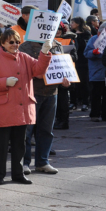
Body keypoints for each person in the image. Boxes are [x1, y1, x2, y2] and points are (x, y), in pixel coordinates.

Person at [0, 29, 52, 185]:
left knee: (20, 144)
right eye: (11, 42)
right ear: (3, 43)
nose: (15, 45)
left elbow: (39, 71)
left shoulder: (24, 57)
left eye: (17, 42)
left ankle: (18, 174)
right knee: (1, 145)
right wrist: (4, 82)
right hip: (4, 108)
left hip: (21, 108)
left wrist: (44, 53)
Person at [18, 35, 66, 176]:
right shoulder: (25, 46)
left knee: (46, 130)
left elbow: (61, 65)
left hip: (52, 93)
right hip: (32, 93)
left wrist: (65, 80)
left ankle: (42, 162)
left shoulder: (57, 44)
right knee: (27, 130)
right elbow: (22, 69)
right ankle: (24, 163)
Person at [86, 21, 106, 122]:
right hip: (97, 72)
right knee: (96, 95)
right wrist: (94, 52)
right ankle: (94, 115)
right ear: (105, 31)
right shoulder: (94, 39)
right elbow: (86, 53)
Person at [71, 17, 91, 112]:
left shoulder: (86, 34)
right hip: (72, 61)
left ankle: (85, 103)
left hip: (82, 61)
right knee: (72, 83)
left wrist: (77, 37)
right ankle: (73, 102)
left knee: (83, 82)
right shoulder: (70, 33)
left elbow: (84, 46)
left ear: (78, 24)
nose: (71, 24)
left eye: (73, 22)